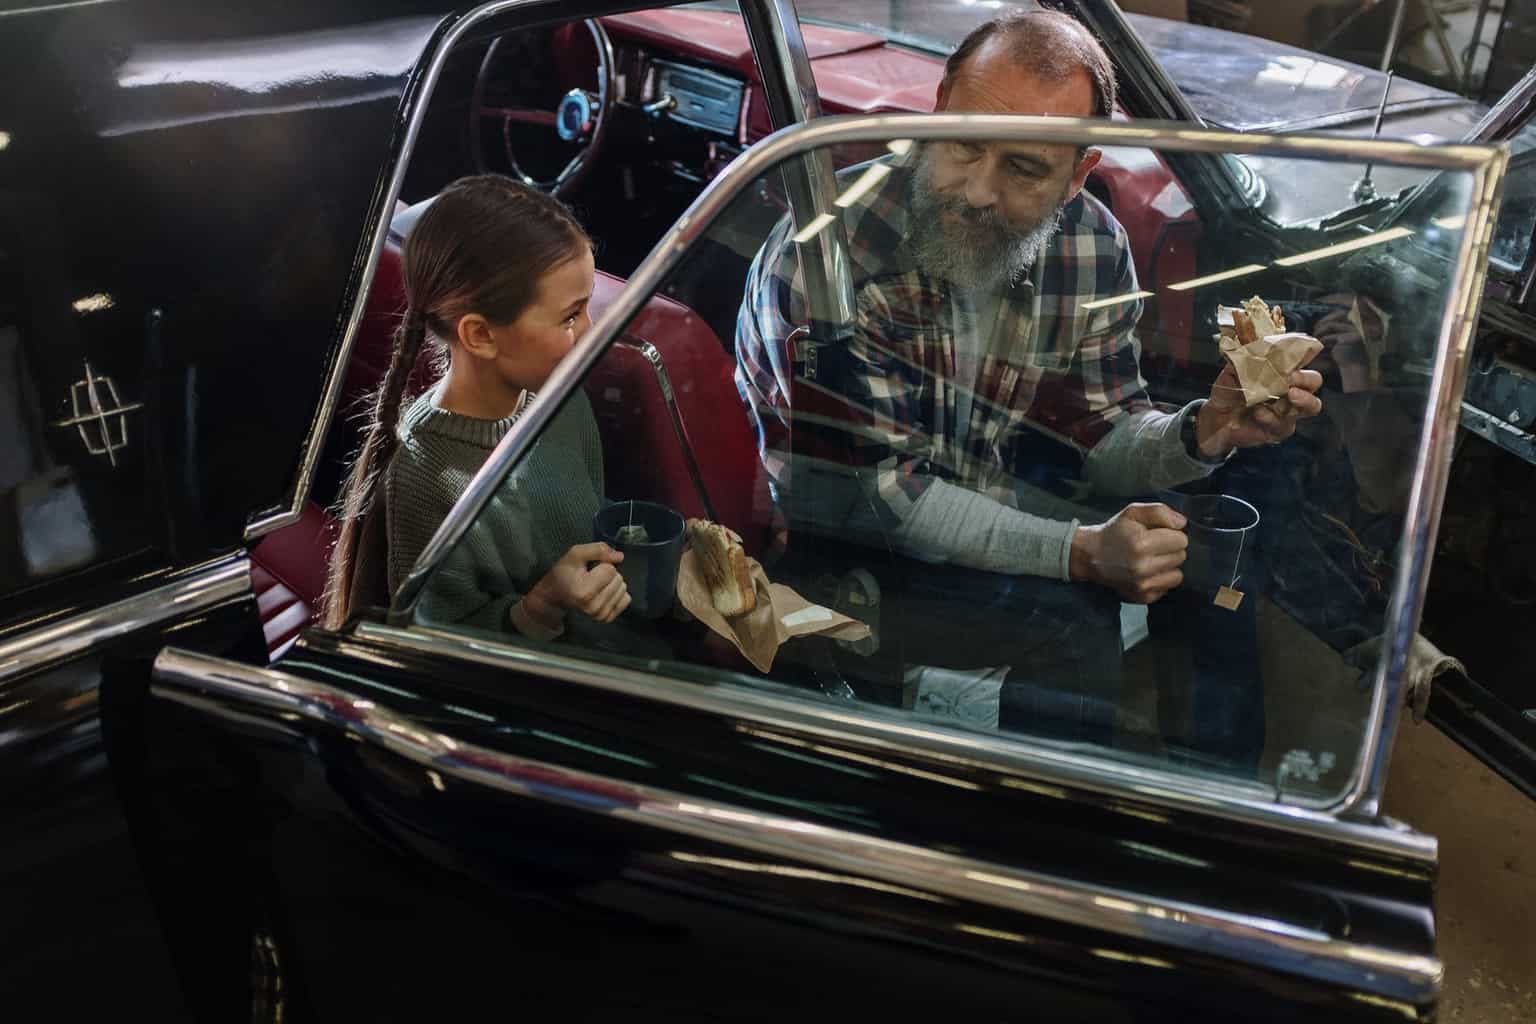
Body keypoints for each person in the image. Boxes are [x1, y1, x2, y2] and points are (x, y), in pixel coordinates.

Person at [734, 11, 1324, 739]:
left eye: (1022, 168)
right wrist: (1081, 553)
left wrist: (1199, 431)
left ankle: (1214, 829)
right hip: (845, 560)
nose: (978, 190)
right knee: (1073, 622)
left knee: (1216, 570)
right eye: (966, 144)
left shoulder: (1091, 244)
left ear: (1079, 174)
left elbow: (1103, 432)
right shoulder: (825, 260)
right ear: (941, 103)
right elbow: (889, 500)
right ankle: (1036, 830)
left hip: (991, 495)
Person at [323, 174, 630, 639]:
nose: (590, 332)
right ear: (480, 335)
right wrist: (536, 607)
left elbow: (579, 516)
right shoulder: (423, 481)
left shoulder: (564, 401)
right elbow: (438, 646)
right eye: (570, 316)